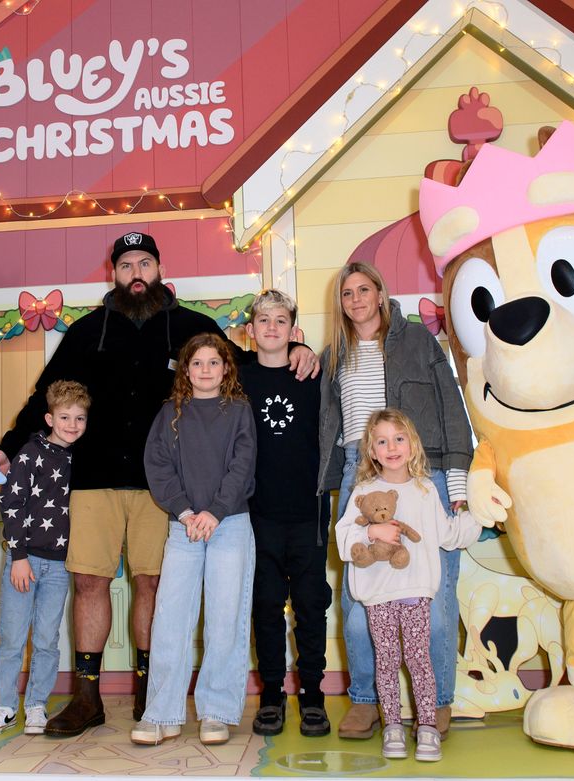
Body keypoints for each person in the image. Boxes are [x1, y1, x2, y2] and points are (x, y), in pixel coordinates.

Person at [0, 232, 317, 736]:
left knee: (154, 587)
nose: (135, 273)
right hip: (93, 479)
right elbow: (45, 395)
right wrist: (10, 446)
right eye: (126, 265)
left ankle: (149, 695)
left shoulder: (192, 327)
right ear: (113, 273)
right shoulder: (87, 330)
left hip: (164, 491)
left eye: (145, 262)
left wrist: (296, 348)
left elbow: (243, 365)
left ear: (159, 268)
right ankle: (87, 696)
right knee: (90, 583)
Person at [318, 261, 473, 740]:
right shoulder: (334, 355)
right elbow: (325, 422)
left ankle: (437, 702)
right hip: (357, 467)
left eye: (365, 289)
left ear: (381, 294)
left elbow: (450, 403)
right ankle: (365, 701)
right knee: (359, 595)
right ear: (340, 303)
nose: (357, 299)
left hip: (423, 468)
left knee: (437, 593)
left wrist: (458, 481)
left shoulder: (416, 342)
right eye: (347, 293)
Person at [335, 409, 485, 762]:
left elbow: (448, 535)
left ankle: (428, 726)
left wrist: (476, 516)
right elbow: (344, 536)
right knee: (386, 662)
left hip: (416, 593)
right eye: (382, 441)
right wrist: (372, 530)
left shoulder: (425, 490)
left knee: (419, 662)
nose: (391, 447)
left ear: (412, 445)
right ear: (371, 451)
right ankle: (391, 727)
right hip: (378, 597)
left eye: (399, 439)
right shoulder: (364, 490)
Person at [132, 333, 257, 746]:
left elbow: (242, 466)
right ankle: (162, 713)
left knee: (225, 619)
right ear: (185, 370)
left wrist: (215, 512)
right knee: (170, 619)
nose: (206, 369)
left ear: (226, 369)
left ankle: (217, 711)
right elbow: (158, 466)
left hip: (229, 523)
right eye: (197, 363)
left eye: (214, 362)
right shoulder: (171, 412)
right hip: (184, 526)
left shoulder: (238, 411)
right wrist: (186, 512)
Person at [238, 290, 332, 738]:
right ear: (250, 330)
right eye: (263, 320)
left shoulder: (313, 374)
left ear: (294, 331)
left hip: (308, 511)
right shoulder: (236, 378)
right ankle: (272, 693)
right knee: (266, 607)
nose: (271, 326)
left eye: (281, 320)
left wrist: (307, 352)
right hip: (258, 515)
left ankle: (312, 693)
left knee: (312, 606)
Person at [0, 380, 90, 738]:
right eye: (65, 417)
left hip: (59, 566)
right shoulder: (30, 453)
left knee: (46, 639)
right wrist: (19, 557)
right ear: (49, 417)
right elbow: (10, 503)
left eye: (80, 418)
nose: (72, 425)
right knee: (12, 637)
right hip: (24, 562)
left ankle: (37, 705)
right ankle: (5, 706)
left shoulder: (81, 460)